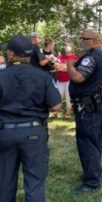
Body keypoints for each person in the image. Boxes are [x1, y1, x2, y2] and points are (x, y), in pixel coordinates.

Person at [0, 35, 61, 202]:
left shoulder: (2, 75)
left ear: (11, 54)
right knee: (34, 183)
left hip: (5, 133)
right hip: (34, 133)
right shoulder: (43, 76)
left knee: (4, 183)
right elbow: (56, 106)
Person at [68, 29, 102, 193]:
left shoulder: (92, 57)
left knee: (87, 141)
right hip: (96, 104)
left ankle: (92, 181)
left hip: (88, 106)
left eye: (84, 38)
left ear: (93, 40)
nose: (81, 40)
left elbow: (78, 77)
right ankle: (94, 172)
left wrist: (70, 66)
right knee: (95, 139)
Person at [54, 44, 78, 119]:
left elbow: (71, 68)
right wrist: (65, 67)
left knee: (68, 97)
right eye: (66, 46)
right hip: (59, 80)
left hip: (69, 80)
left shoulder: (74, 57)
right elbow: (55, 66)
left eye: (69, 46)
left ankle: (68, 113)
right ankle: (56, 112)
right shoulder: (60, 56)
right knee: (57, 96)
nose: (67, 47)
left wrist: (62, 67)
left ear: (72, 48)